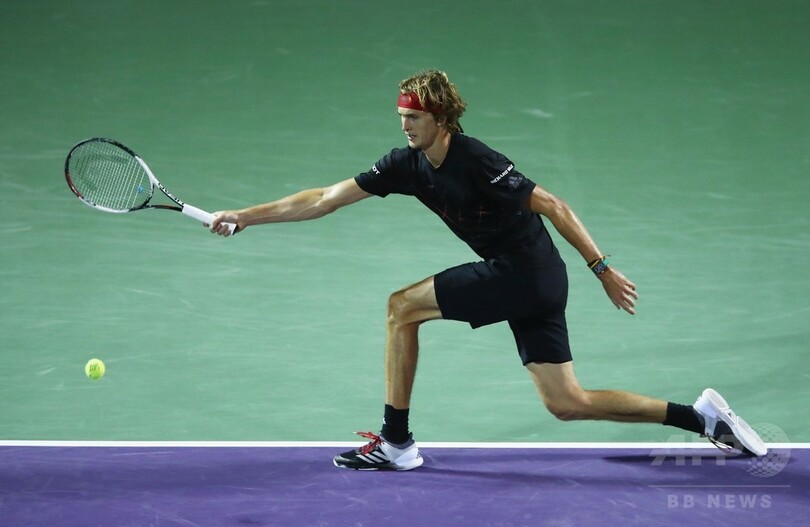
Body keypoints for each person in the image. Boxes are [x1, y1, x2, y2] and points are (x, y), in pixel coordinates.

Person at [208, 69, 767, 470]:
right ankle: (702, 418)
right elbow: (323, 199)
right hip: (532, 280)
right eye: (401, 117)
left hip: (526, 274)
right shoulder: (405, 164)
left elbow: (554, 206)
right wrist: (245, 216)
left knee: (401, 308)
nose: (405, 127)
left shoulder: (479, 160)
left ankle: (396, 441)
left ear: (441, 118)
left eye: (414, 118)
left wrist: (602, 269)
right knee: (567, 404)